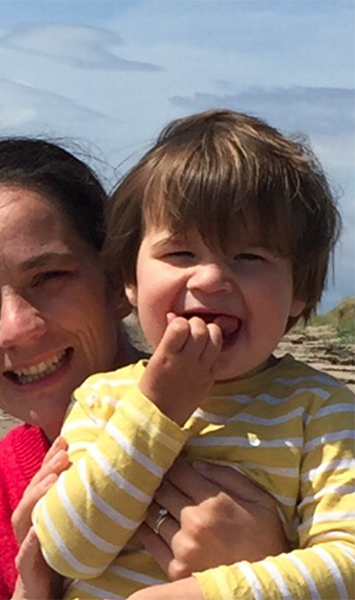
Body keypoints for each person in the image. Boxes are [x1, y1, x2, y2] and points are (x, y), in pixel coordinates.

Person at [0, 136, 288, 600]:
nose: (16, 329)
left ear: (117, 281)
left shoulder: (291, 428)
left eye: (48, 277)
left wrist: (273, 569)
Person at [33, 110, 355, 600]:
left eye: (249, 257)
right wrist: (157, 408)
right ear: (130, 280)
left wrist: (211, 593)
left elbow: (347, 563)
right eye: (180, 254)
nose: (210, 279)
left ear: (300, 291)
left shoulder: (319, 410)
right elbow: (67, 552)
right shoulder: (104, 398)